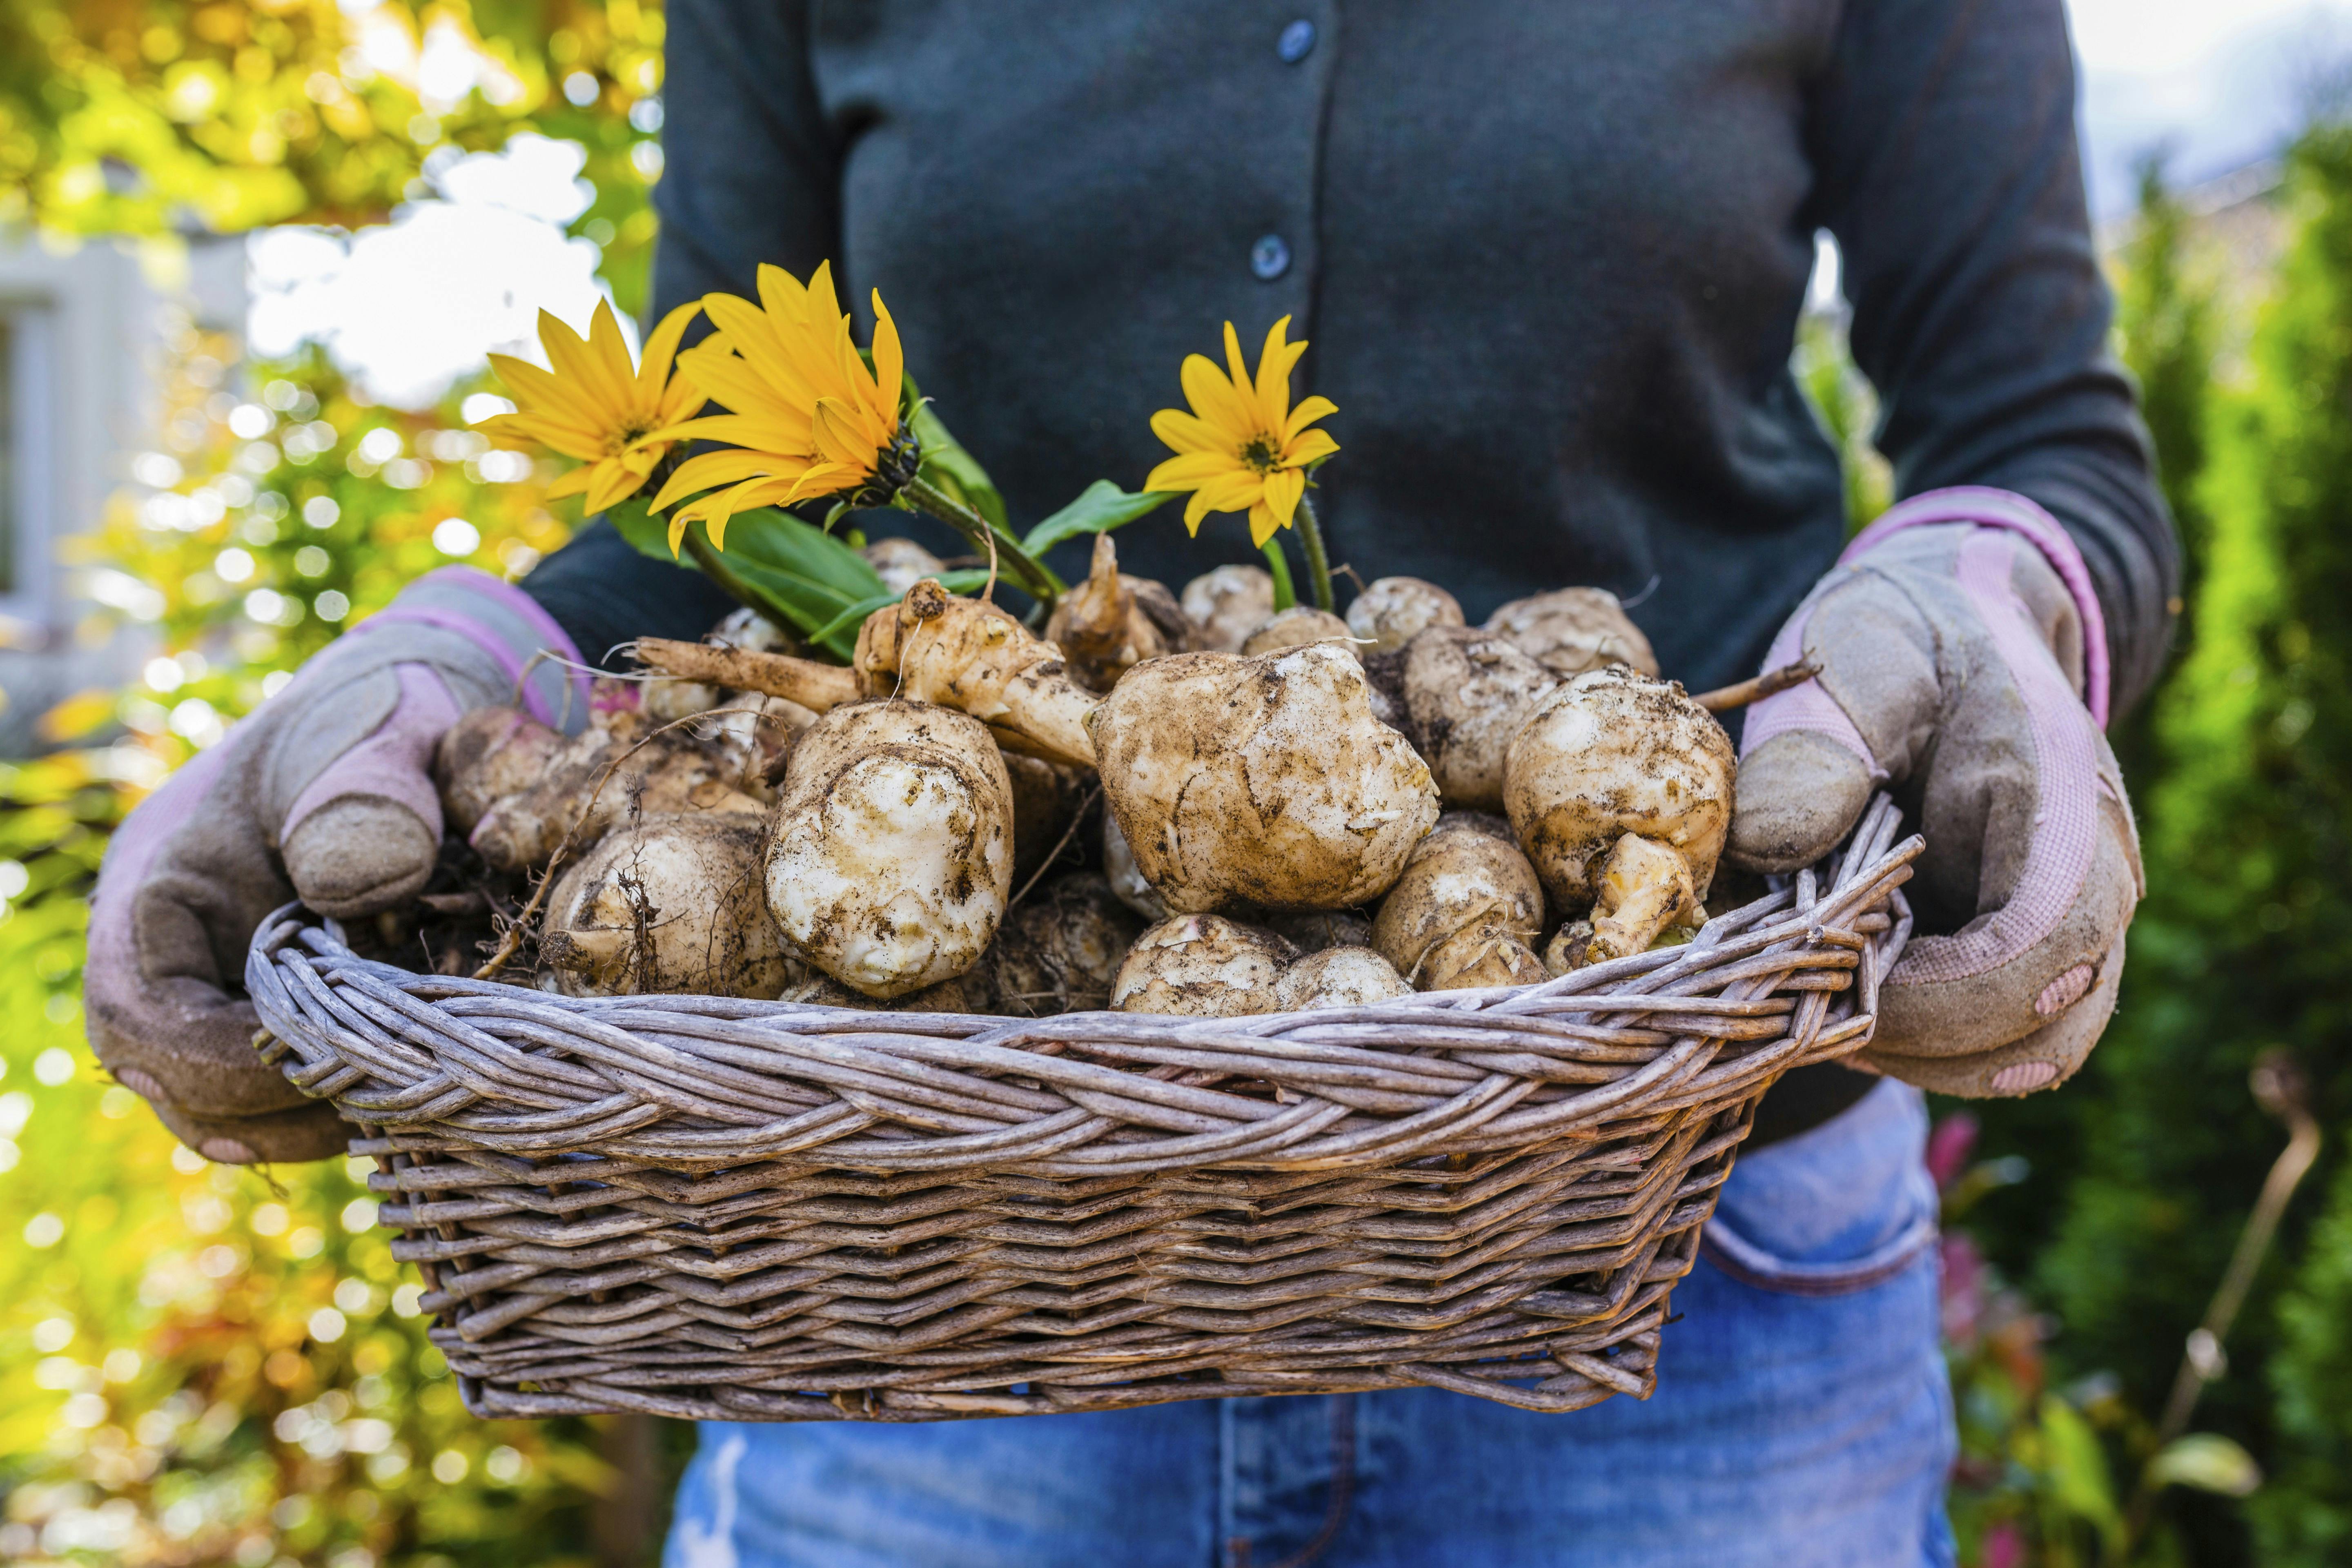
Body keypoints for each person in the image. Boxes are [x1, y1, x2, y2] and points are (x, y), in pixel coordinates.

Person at [85, 1, 2172, 1563]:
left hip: (1678, 1243)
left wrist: (1987, 597)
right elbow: (705, 503)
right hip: (909, 1273)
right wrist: (476, 657)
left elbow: (2036, 426)